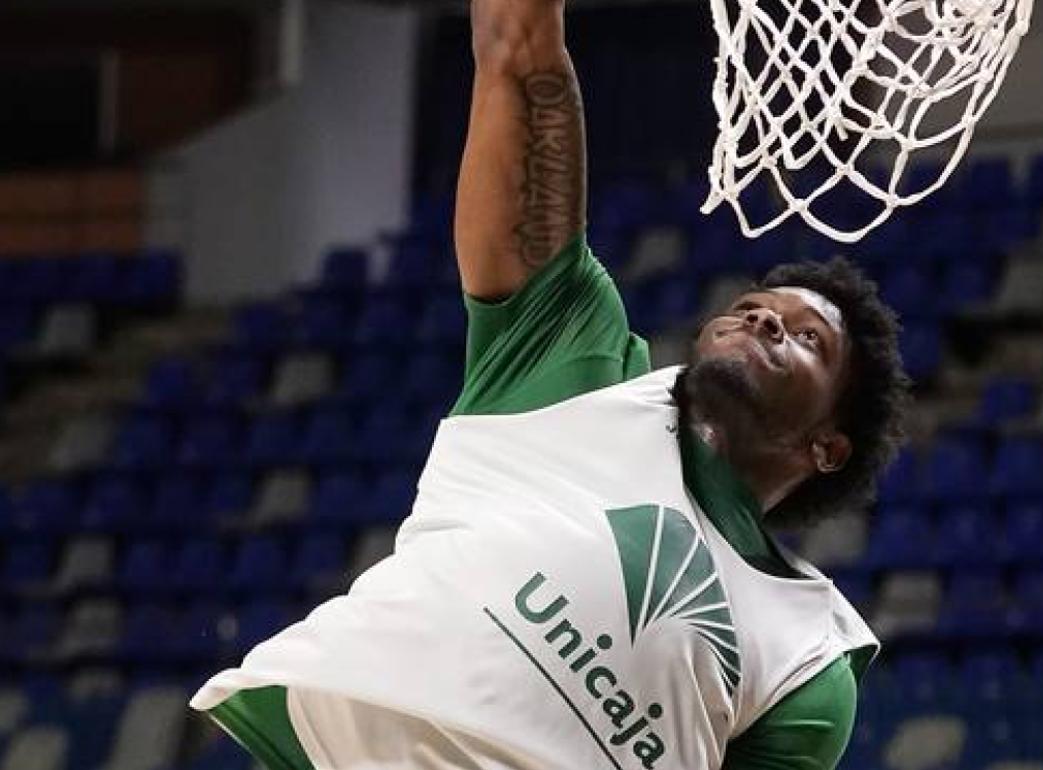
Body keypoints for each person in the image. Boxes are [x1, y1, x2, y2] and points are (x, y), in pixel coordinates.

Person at [189, 0, 910, 766]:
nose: (766, 322)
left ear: (828, 447)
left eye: (806, 340)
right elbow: (515, 51)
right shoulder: (574, 362)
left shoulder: (805, 658)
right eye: (752, 307)